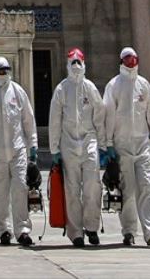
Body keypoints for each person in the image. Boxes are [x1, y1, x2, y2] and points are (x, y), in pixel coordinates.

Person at [102, 46, 150, 247]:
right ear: (122, 61)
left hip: (142, 145)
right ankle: (129, 231)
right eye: (128, 59)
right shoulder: (114, 85)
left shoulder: (143, 84)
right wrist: (108, 144)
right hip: (122, 146)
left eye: (134, 59)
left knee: (146, 186)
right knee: (127, 190)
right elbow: (108, 115)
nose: (131, 62)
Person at [48, 47, 106, 247]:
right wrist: (54, 149)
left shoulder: (90, 88)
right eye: (72, 62)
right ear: (67, 64)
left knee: (92, 186)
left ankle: (91, 227)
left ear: (84, 64)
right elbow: (55, 120)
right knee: (72, 189)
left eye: (78, 62)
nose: (75, 66)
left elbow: (99, 117)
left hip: (89, 141)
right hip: (68, 143)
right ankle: (76, 232)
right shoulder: (61, 89)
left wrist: (104, 145)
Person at [0, 56, 37, 247]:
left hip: (17, 149)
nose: (2, 75)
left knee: (21, 188)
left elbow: (27, 119)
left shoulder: (18, 92)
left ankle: (22, 230)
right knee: (0, 194)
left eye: (5, 71)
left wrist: (33, 144)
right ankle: (4, 230)